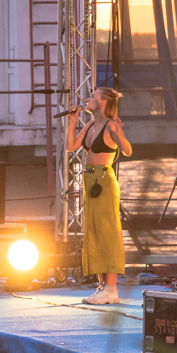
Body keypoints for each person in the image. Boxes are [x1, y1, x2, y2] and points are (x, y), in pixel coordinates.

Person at [65, 87, 133, 304]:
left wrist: (120, 135)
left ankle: (111, 288)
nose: (88, 99)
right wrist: (72, 121)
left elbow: (128, 150)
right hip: (90, 181)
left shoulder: (111, 124)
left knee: (107, 232)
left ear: (103, 103)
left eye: (93, 97)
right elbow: (71, 146)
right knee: (94, 232)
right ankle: (102, 286)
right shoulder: (91, 124)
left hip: (104, 182)